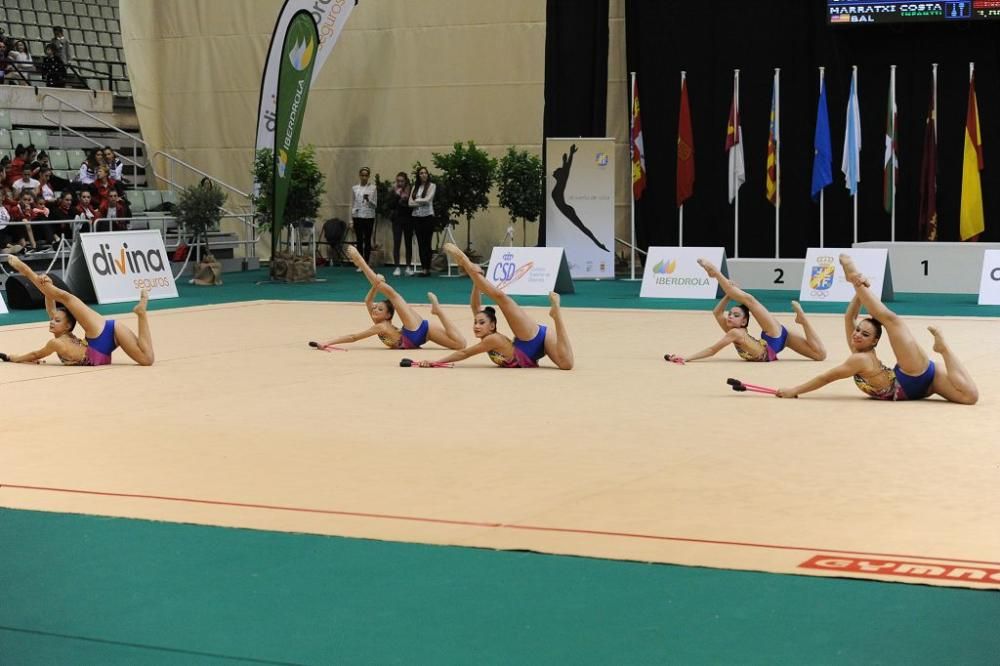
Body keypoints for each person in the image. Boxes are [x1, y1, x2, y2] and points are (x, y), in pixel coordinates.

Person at [774, 255, 978, 403]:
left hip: (910, 377)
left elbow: (826, 377)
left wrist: (795, 390)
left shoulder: (859, 358)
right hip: (922, 388)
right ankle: (944, 350)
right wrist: (859, 293)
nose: (857, 334)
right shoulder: (858, 351)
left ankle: (852, 276)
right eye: (858, 331)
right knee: (970, 397)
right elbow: (850, 317)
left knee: (891, 320)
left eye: (865, 334)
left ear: (874, 342)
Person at [418, 243, 574, 369]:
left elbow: (464, 353)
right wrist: (476, 283)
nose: (476, 326)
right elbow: (475, 306)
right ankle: (473, 271)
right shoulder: (488, 334)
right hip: (533, 352)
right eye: (475, 322)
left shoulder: (492, 339)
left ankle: (556, 315)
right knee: (567, 365)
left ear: (492, 325)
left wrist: (436, 362)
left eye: (481, 323)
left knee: (502, 299)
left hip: (531, 339)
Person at [663, 259, 827, 364]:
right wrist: (728, 296)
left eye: (735, 315)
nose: (730, 316)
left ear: (744, 322)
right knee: (820, 355)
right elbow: (717, 313)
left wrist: (687, 358)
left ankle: (716, 273)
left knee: (749, 300)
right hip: (774, 346)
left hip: (774, 338)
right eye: (730, 314)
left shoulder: (736, 334)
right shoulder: (733, 331)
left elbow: (712, 350)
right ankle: (803, 321)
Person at [2, 255, 155, 366]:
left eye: (57, 320)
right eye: (53, 319)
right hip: (104, 346)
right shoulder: (64, 336)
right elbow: (51, 308)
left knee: (66, 297)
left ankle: (24, 268)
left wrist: (13, 358)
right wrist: (48, 286)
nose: (51, 322)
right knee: (147, 359)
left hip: (99, 337)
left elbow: (36, 354)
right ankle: (141, 314)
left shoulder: (56, 343)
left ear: (68, 326)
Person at [313, 245, 466, 351]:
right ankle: (438, 312)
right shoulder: (378, 321)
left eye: (379, 309)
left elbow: (354, 337)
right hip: (417, 335)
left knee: (393, 295)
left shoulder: (381, 326)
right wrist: (375, 287)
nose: (374, 308)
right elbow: (367, 301)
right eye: (376, 307)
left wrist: (327, 342)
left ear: (387, 315)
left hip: (413, 333)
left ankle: (361, 262)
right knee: (460, 344)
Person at [551, 143, 610, 252]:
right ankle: (597, 244)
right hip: (566, 209)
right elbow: (565, 169)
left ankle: (598, 244)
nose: (553, 172)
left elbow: (567, 169)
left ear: (559, 174)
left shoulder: (561, 182)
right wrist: (565, 160)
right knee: (580, 228)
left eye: (556, 171)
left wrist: (571, 154)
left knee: (582, 228)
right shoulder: (560, 181)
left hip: (567, 210)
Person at [409, 166, 436, 277]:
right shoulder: (415, 187)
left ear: (427, 174)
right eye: (421, 173)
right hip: (416, 217)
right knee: (420, 243)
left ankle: (428, 268)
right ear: (418, 175)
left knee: (427, 242)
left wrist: (417, 201)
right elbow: (410, 203)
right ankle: (423, 267)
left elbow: (428, 200)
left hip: (428, 216)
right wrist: (421, 202)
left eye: (425, 173)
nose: (423, 175)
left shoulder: (432, 186)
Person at [350, 167, 377, 265]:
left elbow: (375, 205)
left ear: (369, 176)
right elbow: (352, 203)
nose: (364, 177)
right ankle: (360, 263)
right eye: (362, 175)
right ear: (359, 176)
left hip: (369, 216)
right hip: (357, 216)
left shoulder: (373, 188)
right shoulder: (355, 188)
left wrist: (369, 199)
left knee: (367, 239)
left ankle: (367, 261)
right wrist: (351, 219)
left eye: (366, 175)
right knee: (359, 240)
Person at [389, 171, 414, 276]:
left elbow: (412, 205)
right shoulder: (394, 191)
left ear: (406, 181)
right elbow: (390, 205)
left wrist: (406, 198)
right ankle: (397, 267)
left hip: (408, 219)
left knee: (408, 243)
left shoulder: (411, 191)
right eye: (398, 181)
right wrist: (396, 196)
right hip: (397, 220)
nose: (400, 183)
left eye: (402, 181)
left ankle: (408, 266)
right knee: (397, 243)